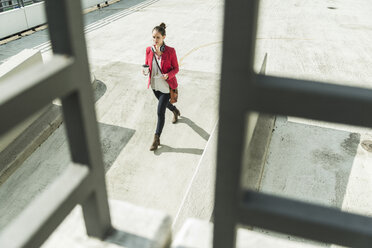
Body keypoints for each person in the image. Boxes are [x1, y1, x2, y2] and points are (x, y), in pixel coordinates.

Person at [143, 22, 180, 151]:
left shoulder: (170, 51)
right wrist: (145, 70)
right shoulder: (149, 50)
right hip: (155, 86)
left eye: (158, 37)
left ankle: (156, 138)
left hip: (166, 87)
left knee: (160, 112)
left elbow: (176, 69)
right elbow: (147, 65)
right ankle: (175, 110)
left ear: (164, 37)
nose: (155, 40)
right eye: (153, 37)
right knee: (163, 104)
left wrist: (168, 75)